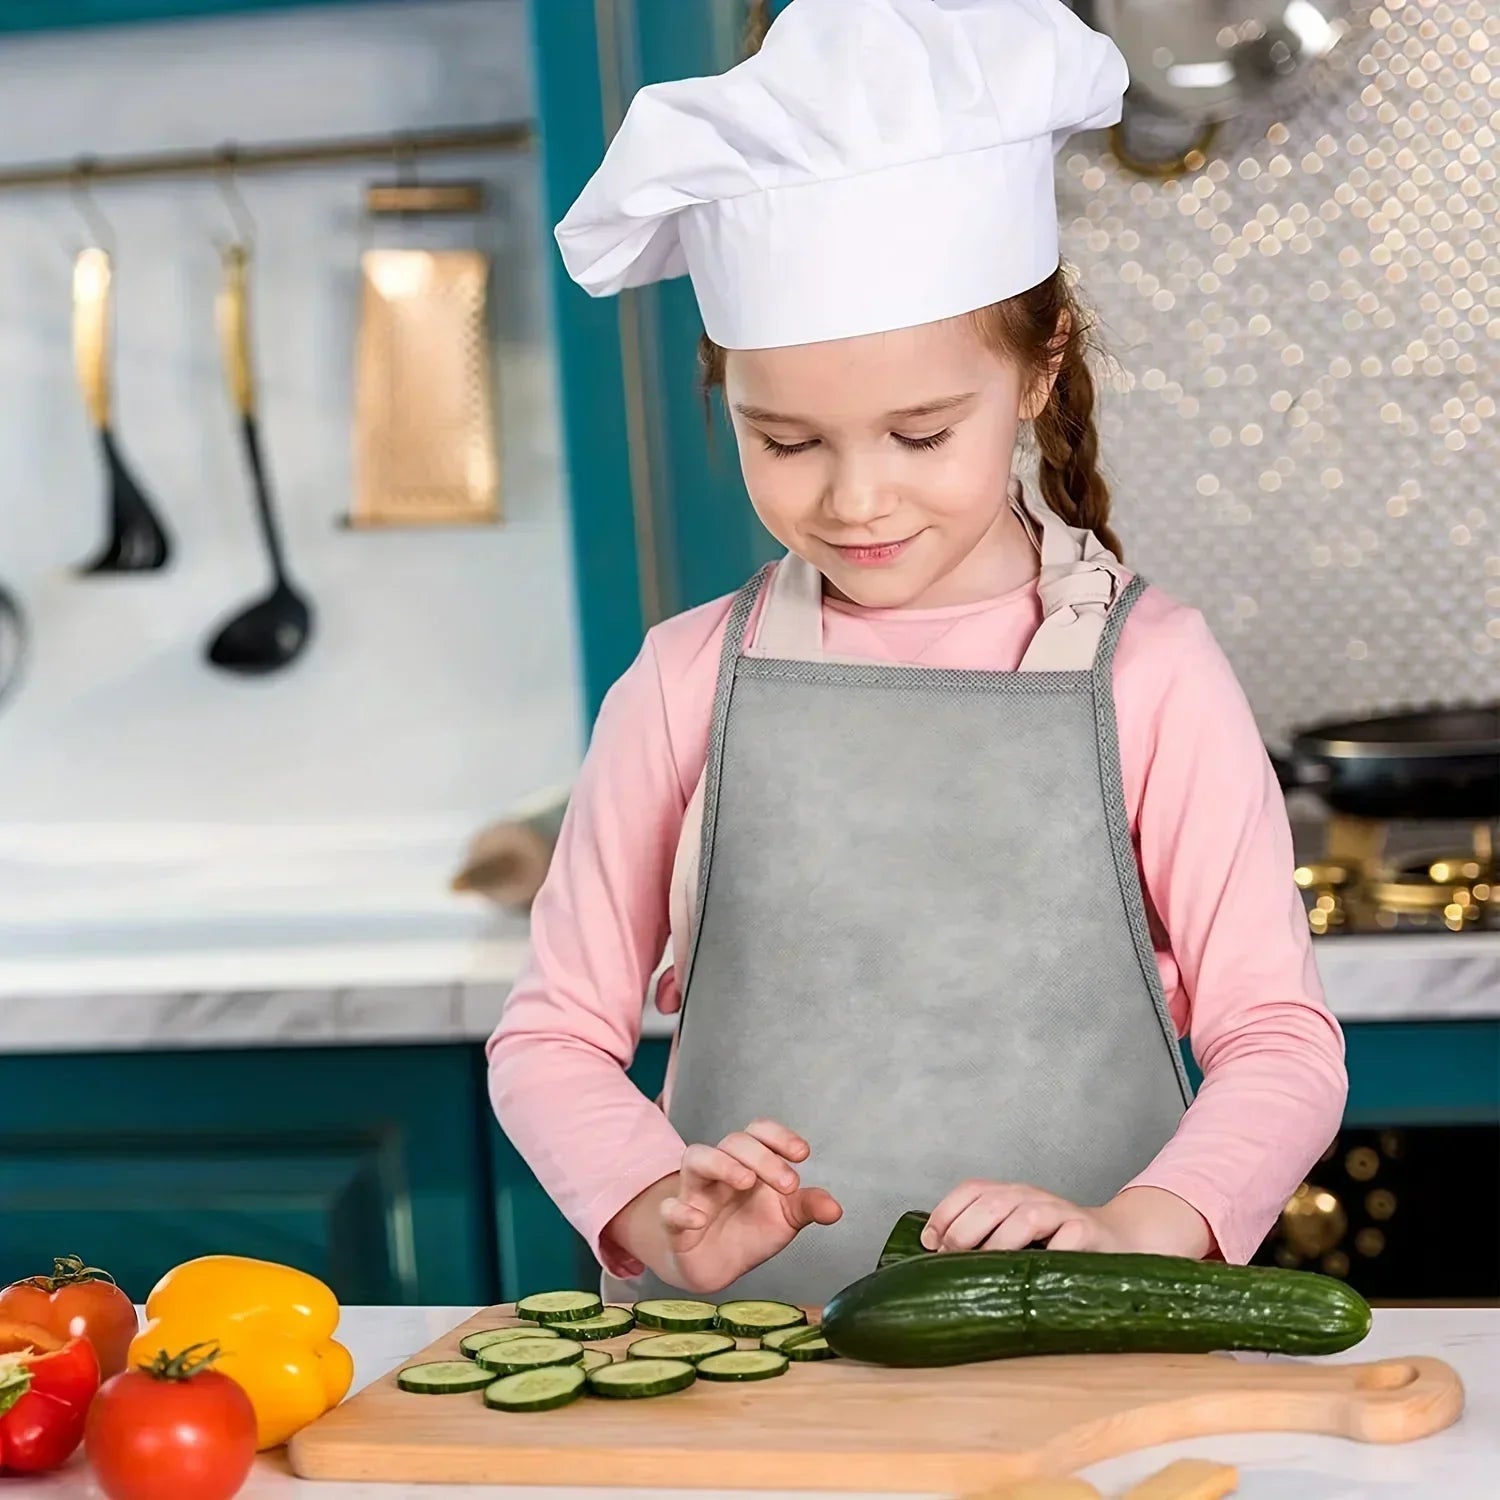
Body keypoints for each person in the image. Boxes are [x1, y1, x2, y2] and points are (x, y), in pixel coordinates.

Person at [487, 0, 1347, 1307]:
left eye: (920, 434)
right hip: (739, 1374)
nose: (857, 501)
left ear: (1039, 373)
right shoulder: (680, 680)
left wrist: (1147, 1226)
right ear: (727, 397)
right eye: (788, 443)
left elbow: (1277, 1039)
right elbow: (549, 1037)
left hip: (1081, 1361)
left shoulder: (1152, 671)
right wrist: (651, 1202)